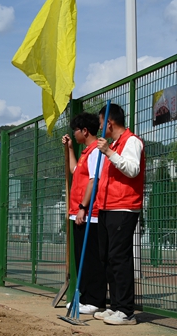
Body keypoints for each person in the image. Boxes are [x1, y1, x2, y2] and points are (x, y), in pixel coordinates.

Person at [93, 104, 145, 326]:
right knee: (107, 257)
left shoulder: (131, 141)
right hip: (106, 207)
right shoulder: (113, 144)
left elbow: (132, 169)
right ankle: (115, 306)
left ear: (109, 123)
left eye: (100, 123)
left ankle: (126, 310)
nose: (99, 128)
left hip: (123, 208)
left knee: (119, 257)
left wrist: (109, 153)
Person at [61, 112, 106, 315]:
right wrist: (70, 148)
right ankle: (85, 298)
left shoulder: (96, 151)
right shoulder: (86, 152)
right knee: (81, 258)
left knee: (91, 259)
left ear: (85, 131)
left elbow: (93, 180)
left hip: (89, 214)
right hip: (79, 213)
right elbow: (75, 170)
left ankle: (95, 300)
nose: (74, 133)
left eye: (76, 131)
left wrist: (83, 206)